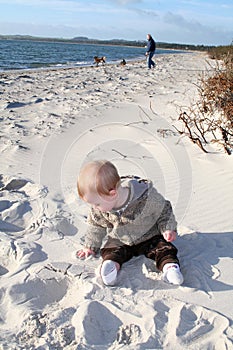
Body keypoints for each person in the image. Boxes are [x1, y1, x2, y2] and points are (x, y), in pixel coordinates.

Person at [76, 160, 184, 287]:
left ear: (112, 194)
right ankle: (110, 266)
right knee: (111, 249)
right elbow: (96, 225)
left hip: (149, 236)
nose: (94, 207)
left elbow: (164, 210)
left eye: (97, 204)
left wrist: (167, 228)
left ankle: (170, 268)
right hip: (120, 238)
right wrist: (90, 246)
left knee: (163, 248)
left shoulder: (145, 198)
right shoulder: (100, 210)